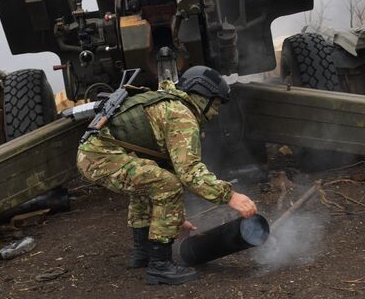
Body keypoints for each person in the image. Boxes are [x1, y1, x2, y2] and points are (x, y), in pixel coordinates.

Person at [76, 65, 258, 285]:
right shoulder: (182, 116)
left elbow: (171, 165)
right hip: (101, 158)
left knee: (151, 180)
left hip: (95, 155)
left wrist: (176, 218)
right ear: (202, 97)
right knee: (167, 185)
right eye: (216, 103)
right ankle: (160, 266)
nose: (217, 111)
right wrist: (230, 196)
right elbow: (189, 173)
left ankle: (142, 253)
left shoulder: (170, 103)